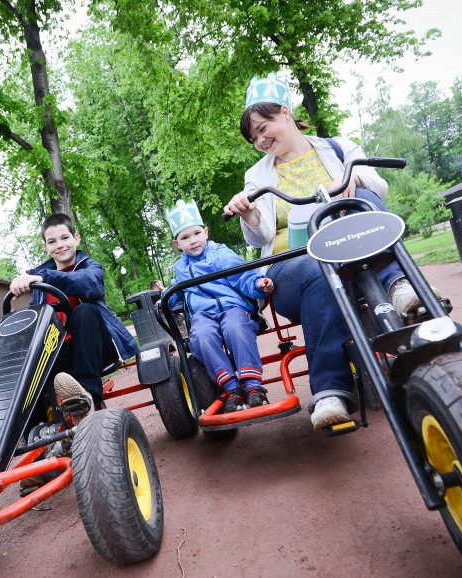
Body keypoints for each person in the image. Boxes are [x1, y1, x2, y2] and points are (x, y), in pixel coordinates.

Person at [223, 73, 429, 431]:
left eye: (263, 127)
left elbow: (379, 188)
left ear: (284, 113)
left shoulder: (336, 149)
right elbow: (260, 238)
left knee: (363, 199)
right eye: (253, 136)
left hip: (350, 249)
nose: (259, 140)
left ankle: (399, 286)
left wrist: (356, 179)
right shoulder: (257, 175)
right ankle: (331, 390)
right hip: (294, 267)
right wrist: (251, 213)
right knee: (319, 271)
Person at [9, 213, 139, 412]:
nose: (59, 245)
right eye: (52, 241)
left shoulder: (90, 267)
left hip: (97, 347)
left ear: (76, 238)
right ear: (46, 247)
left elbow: (88, 284)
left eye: (65, 238)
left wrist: (42, 278)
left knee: (84, 311)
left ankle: (85, 394)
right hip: (60, 351)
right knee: (28, 362)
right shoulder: (40, 284)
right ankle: (31, 430)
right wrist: (23, 283)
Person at [166, 199, 274, 411]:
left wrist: (257, 283)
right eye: (185, 237)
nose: (193, 240)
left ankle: (253, 386)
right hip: (203, 315)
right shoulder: (180, 268)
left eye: (197, 233)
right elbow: (175, 292)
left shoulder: (220, 254)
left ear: (205, 232)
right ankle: (231, 387)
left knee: (235, 327)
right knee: (201, 336)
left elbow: (242, 275)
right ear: (177, 244)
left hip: (231, 308)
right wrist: (165, 299)